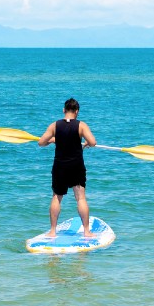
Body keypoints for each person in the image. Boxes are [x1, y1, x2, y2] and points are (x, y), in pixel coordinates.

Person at [36, 97, 97, 239]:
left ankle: (52, 231)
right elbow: (93, 142)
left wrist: (52, 140)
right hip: (76, 165)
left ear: (64, 110)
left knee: (57, 197)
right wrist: (86, 142)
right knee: (80, 198)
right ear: (77, 112)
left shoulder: (55, 126)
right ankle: (87, 232)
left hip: (60, 166)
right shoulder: (81, 126)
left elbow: (41, 142)